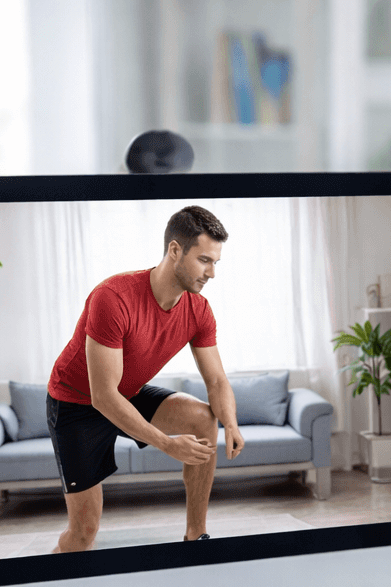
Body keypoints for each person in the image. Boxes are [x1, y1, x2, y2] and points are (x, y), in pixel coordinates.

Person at [46, 205, 244, 552]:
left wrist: (232, 424)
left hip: (128, 391)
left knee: (203, 418)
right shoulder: (113, 297)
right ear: (175, 250)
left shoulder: (198, 309)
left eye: (216, 262)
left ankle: (195, 538)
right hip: (77, 402)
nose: (212, 273)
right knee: (83, 534)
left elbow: (216, 381)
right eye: (204, 260)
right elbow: (103, 397)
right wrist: (167, 444)